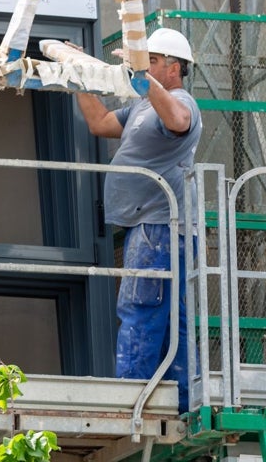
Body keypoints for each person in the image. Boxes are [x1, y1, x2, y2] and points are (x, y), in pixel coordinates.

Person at [74, 27, 201, 414]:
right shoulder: (143, 107)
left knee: (141, 309)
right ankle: (180, 402)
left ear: (174, 68)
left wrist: (141, 79)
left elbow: (178, 119)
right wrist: (79, 75)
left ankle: (130, 403)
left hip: (159, 228)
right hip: (149, 228)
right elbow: (99, 123)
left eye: (153, 62)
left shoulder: (181, 101)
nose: (143, 69)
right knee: (169, 318)